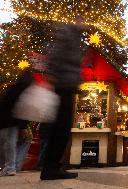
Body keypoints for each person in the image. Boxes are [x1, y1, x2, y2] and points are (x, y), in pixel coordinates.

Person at [39, 20, 85, 180]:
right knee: (61, 128)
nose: (85, 22)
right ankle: (50, 168)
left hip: (67, 84)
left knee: (62, 128)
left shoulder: (75, 36)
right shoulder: (68, 32)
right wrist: (52, 73)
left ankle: (52, 166)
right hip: (63, 85)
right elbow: (56, 53)